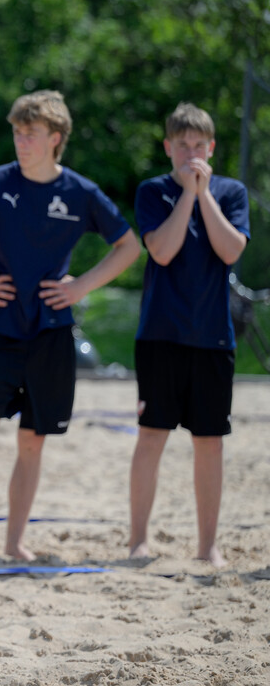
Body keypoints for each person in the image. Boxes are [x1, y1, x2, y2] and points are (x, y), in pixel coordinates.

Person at [0, 90, 140, 565]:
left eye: (32, 133)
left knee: (31, 440)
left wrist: (80, 286)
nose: (21, 141)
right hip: (1, 328)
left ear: (55, 138)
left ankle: (14, 542)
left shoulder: (80, 192)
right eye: (17, 132)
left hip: (52, 332)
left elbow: (129, 247)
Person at [128, 103, 248, 568]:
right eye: (182, 146)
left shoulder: (231, 192)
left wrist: (204, 196)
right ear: (168, 148)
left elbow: (231, 250)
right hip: (160, 335)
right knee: (151, 436)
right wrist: (185, 196)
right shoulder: (153, 191)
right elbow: (161, 251)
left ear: (212, 148)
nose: (191, 154)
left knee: (210, 441)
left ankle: (207, 546)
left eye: (199, 145)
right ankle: (139, 540)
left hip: (212, 338)